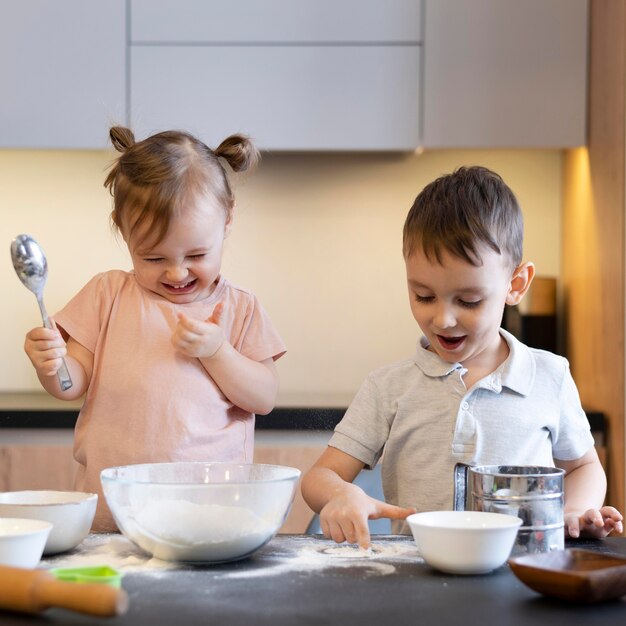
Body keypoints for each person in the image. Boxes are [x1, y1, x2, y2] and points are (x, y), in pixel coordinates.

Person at [301, 166, 623, 549]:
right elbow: (319, 477)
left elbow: (584, 467)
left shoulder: (549, 376)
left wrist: (572, 511)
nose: (443, 319)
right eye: (423, 296)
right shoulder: (388, 387)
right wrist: (340, 494)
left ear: (515, 285)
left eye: (468, 301)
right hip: (418, 578)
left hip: (521, 573)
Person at [24, 127, 286, 530]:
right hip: (112, 517)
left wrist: (219, 353)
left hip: (211, 516)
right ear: (123, 230)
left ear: (227, 221)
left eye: (197, 254)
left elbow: (264, 397)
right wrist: (50, 364)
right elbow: (69, 385)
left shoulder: (239, 307)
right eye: (153, 257)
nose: (177, 271)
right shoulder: (107, 295)